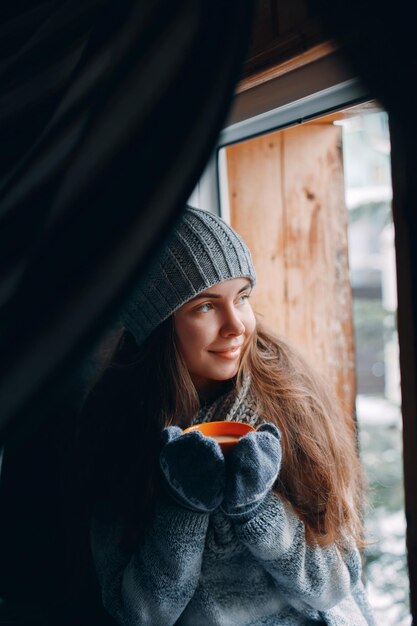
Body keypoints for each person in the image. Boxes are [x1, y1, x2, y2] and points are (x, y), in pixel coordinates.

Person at [78, 206, 376, 625]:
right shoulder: (119, 426)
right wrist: (183, 506)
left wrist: (258, 510)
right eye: (205, 307)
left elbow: (334, 586)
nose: (237, 326)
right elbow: (140, 614)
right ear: (160, 324)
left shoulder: (291, 399)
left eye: (243, 297)